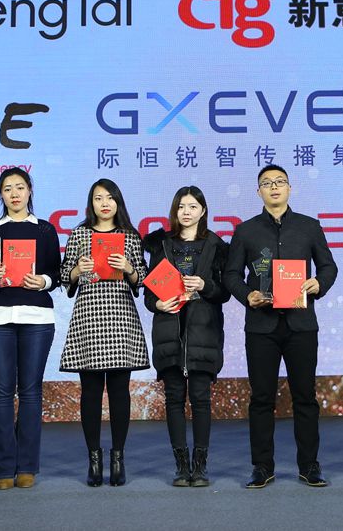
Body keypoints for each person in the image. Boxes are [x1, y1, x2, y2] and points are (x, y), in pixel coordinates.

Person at [223, 165, 337, 489]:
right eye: (266, 183)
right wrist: (248, 295)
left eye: (279, 182)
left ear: (290, 188)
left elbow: (328, 267)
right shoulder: (245, 231)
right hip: (262, 326)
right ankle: (262, 467)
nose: (274, 187)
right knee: (261, 399)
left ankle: (309, 465)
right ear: (258, 191)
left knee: (305, 397)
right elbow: (231, 274)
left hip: (301, 325)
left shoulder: (309, 227)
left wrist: (318, 283)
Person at [0, 167, 61, 490]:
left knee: (31, 392)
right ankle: (4, 469)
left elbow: (57, 272)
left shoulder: (45, 230)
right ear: (1, 194)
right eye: (7, 189)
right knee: (2, 392)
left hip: (37, 317)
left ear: (30, 190)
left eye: (20, 187)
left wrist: (43, 281)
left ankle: (27, 467)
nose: (14, 194)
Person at [59, 179, 149, 487]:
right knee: (91, 392)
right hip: (89, 317)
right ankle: (94, 460)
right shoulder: (79, 234)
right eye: (98, 198)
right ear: (91, 203)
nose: (105, 203)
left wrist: (128, 268)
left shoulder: (130, 236)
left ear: (118, 201)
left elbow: (142, 279)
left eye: (110, 197)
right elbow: (64, 276)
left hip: (120, 317)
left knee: (120, 391)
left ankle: (118, 457)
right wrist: (77, 270)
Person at [143, 186, 230, 487]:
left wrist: (205, 286)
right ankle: (181, 466)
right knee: (174, 399)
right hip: (169, 330)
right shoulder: (161, 245)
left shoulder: (216, 246)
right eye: (181, 206)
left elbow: (225, 292)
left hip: (203, 332)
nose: (186, 212)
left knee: (201, 400)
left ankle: (200, 466)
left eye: (193, 206)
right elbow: (149, 293)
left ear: (203, 211)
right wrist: (157, 304)